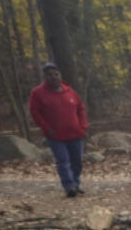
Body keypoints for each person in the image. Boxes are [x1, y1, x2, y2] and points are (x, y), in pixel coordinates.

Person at [28, 62, 88, 198]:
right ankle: (69, 187)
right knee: (63, 160)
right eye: (50, 75)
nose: (54, 77)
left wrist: (83, 126)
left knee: (77, 161)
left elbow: (81, 108)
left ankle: (76, 183)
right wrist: (46, 128)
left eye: (56, 74)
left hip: (75, 133)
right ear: (45, 77)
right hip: (55, 135)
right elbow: (35, 112)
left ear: (60, 75)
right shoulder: (37, 93)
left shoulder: (70, 91)